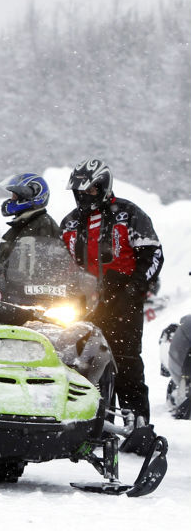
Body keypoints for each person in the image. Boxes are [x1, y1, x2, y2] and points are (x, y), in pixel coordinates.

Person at [60, 158, 163, 432]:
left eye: (91, 190)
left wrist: (133, 290)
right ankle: (82, 422)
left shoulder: (129, 214)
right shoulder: (69, 223)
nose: (85, 196)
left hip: (122, 302)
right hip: (80, 305)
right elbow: (57, 264)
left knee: (126, 363)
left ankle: (137, 425)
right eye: (80, 191)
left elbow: (153, 254)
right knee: (78, 362)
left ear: (103, 187)